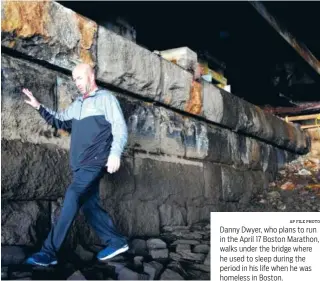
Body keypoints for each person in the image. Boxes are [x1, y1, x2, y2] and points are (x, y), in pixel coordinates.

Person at [22, 63, 129, 267]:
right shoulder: (77, 104)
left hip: (94, 162)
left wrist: (115, 154)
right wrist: (38, 106)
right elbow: (59, 121)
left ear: (91, 75)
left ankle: (49, 251)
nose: (77, 83)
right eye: (74, 79)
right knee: (90, 205)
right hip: (79, 165)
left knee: (72, 195)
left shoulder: (106, 99)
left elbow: (120, 128)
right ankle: (116, 241)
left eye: (80, 78)